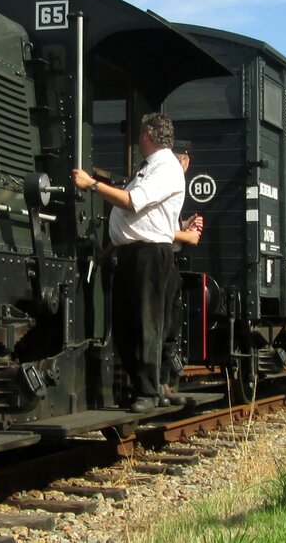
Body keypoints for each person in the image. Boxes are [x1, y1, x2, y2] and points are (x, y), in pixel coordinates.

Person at [72, 112, 185, 413]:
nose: (137, 138)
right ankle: (141, 387)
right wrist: (107, 251)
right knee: (124, 325)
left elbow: (132, 202)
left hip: (149, 254)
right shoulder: (149, 167)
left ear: (148, 135)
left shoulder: (166, 168)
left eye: (140, 132)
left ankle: (148, 392)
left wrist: (92, 185)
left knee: (147, 323)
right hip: (131, 252)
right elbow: (134, 221)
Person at [161, 140, 204, 405]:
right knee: (166, 323)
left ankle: (164, 383)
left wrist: (183, 224)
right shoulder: (173, 179)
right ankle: (161, 383)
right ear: (185, 159)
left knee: (170, 324)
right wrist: (186, 235)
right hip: (164, 259)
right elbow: (156, 227)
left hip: (166, 259)